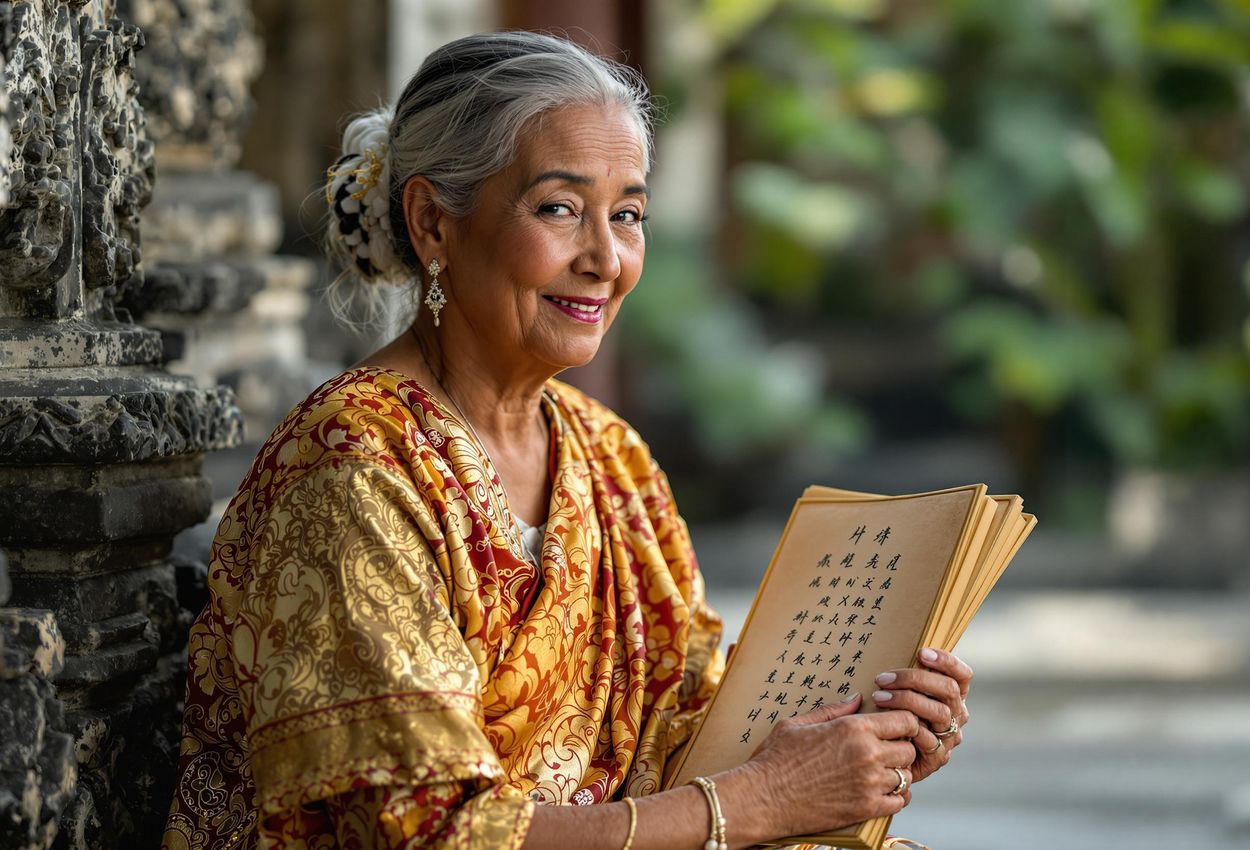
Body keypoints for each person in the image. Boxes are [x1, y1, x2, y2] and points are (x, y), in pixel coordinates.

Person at [163, 31, 972, 850]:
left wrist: (867, 740)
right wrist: (758, 802)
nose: (607, 258)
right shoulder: (354, 464)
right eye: (558, 208)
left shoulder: (608, 455)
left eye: (628, 215)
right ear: (433, 224)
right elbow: (425, 832)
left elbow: (685, 741)